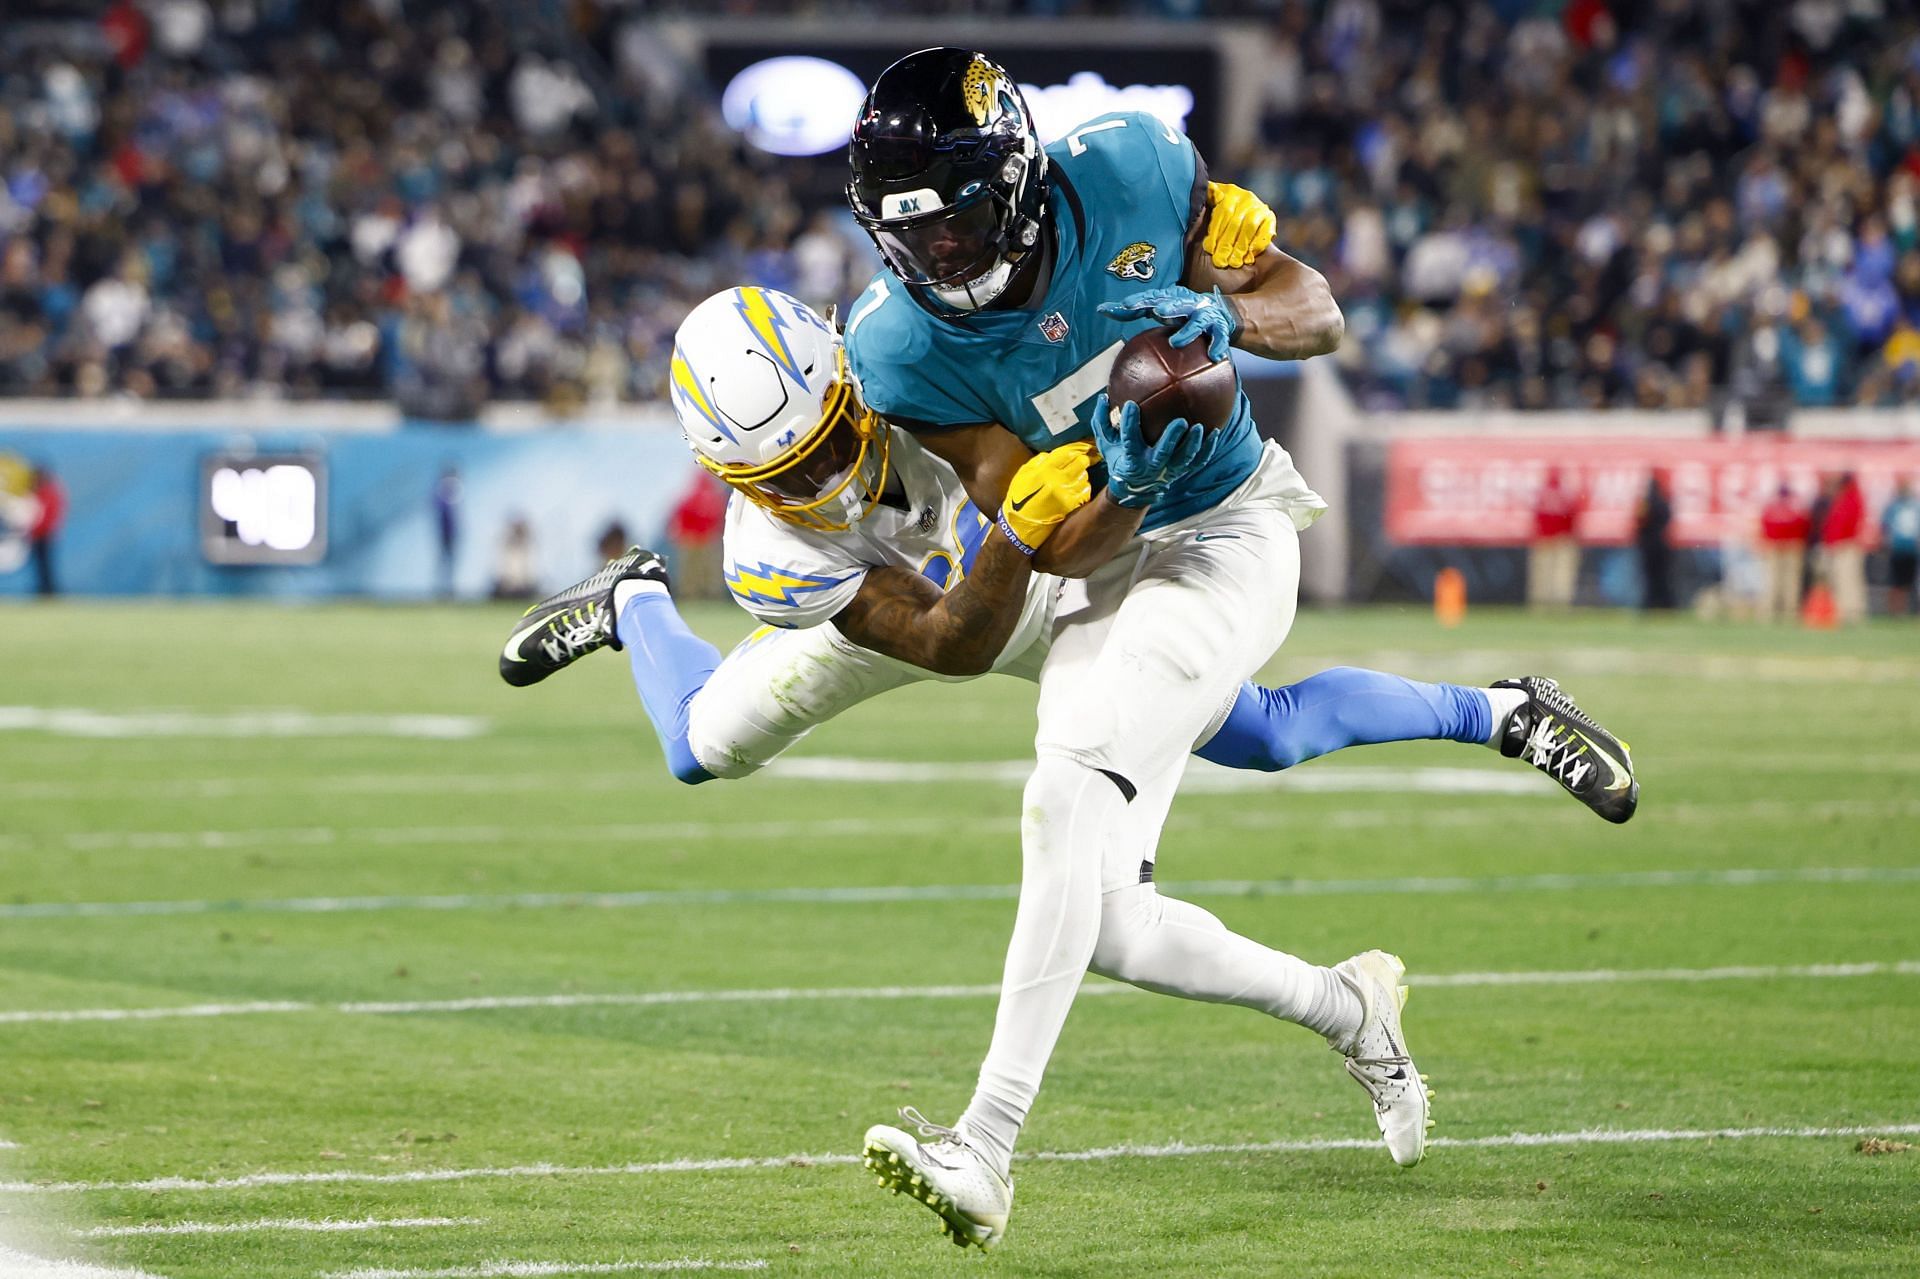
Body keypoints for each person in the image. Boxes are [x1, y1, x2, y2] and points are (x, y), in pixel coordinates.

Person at [835, 51, 1636, 1249]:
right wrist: (1122, 476)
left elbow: (1315, 308)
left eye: (954, 221)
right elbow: (1046, 541)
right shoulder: (899, 347)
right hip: (1105, 555)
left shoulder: (1135, 170)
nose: (940, 254)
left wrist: (1232, 315)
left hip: (1227, 526)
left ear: (1010, 180)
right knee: (1108, 917)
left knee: (1071, 783)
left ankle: (986, 1142)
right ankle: (1351, 1004)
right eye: (916, 235)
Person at [1527, 467, 1583, 610]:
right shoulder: (1566, 493)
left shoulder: (1541, 493)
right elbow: (1573, 515)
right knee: (1561, 574)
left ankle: (1541, 604)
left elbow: (1536, 516)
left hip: (1544, 537)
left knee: (1542, 574)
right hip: (1563, 537)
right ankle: (1560, 605)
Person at [1757, 485, 1809, 623]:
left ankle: (1772, 611)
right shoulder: (1795, 509)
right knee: (1788, 581)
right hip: (1789, 546)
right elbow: (1804, 526)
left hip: (1779, 546)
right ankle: (1787, 611)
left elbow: (1765, 526)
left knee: (1775, 580)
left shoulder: (1773, 509)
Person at [1821, 472, 1868, 624]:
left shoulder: (1851, 498)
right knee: (1844, 579)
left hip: (1847, 545)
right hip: (1843, 544)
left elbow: (1844, 523)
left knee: (1847, 579)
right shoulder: (1848, 497)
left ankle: (1851, 612)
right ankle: (1846, 611)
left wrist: (1835, 541)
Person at [1635, 471, 1675, 610]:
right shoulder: (1664, 501)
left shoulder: (1646, 503)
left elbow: (1640, 521)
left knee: (1650, 576)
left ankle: (1650, 603)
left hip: (1649, 544)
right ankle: (1665, 603)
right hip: (1662, 543)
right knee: (1662, 576)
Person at [1882, 478, 1919, 617]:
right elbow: (1885, 525)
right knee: (1897, 583)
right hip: (1898, 549)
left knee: (1911, 582)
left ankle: (1911, 612)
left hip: (1913, 550)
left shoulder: (1915, 505)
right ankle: (1897, 612)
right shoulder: (1894, 506)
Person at [26, 464, 64, 598]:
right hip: (37, 535)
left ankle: (49, 590)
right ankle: (44, 589)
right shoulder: (37, 492)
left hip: (45, 535)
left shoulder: (49, 492)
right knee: (40, 565)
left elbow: (47, 516)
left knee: (46, 565)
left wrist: (41, 529)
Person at [432, 465, 461, 599]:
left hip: (450, 533)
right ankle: (444, 588)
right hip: (445, 533)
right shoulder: (444, 492)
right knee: (445, 561)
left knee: (449, 562)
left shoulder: (452, 492)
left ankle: (448, 588)